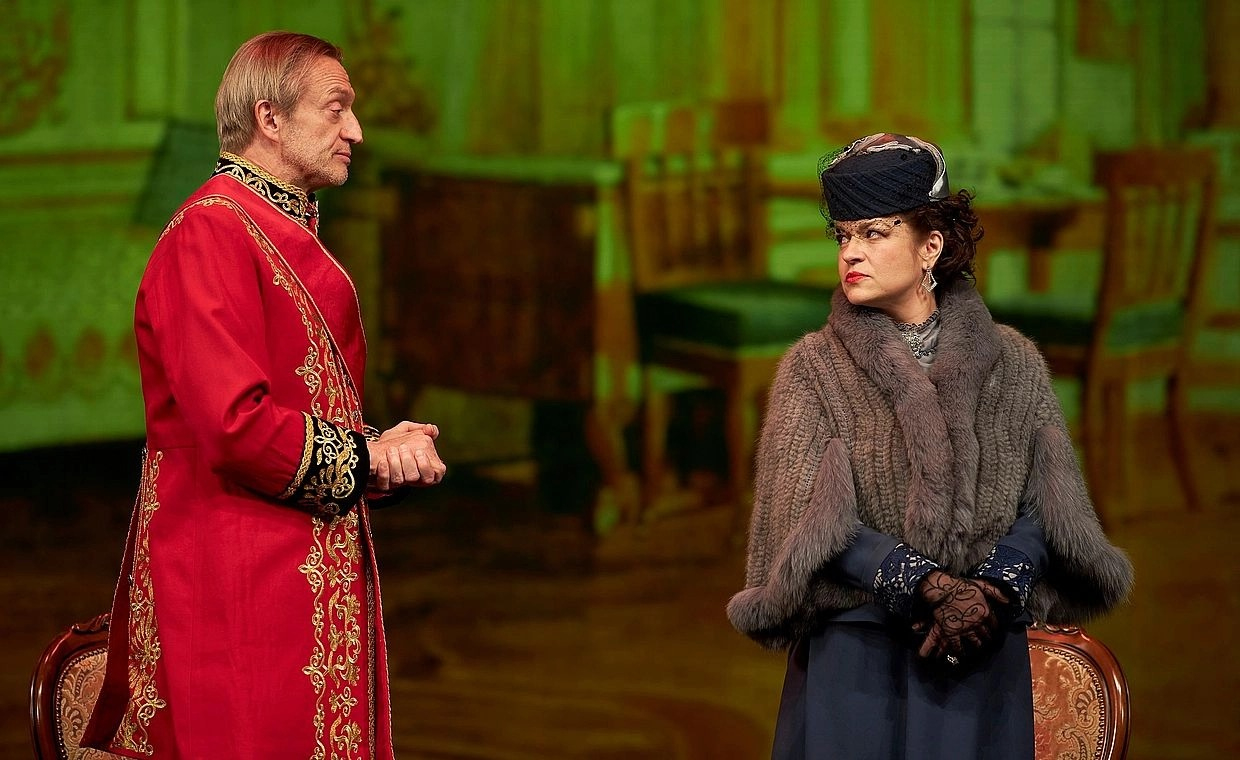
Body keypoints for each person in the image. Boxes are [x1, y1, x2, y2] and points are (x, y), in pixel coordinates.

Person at [82, 31, 445, 759]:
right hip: (237, 584)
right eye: (336, 108)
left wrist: (382, 452)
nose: (356, 131)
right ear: (269, 118)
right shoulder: (210, 233)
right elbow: (235, 425)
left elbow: (301, 413)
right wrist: (370, 457)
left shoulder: (269, 229)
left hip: (293, 571)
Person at [726, 133, 1134, 759]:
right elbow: (801, 518)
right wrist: (920, 582)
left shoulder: (1015, 362)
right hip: (858, 665)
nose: (850, 253)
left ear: (930, 247)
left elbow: (1047, 506)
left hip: (980, 655)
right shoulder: (812, 370)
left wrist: (993, 588)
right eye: (843, 236)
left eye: (874, 234)